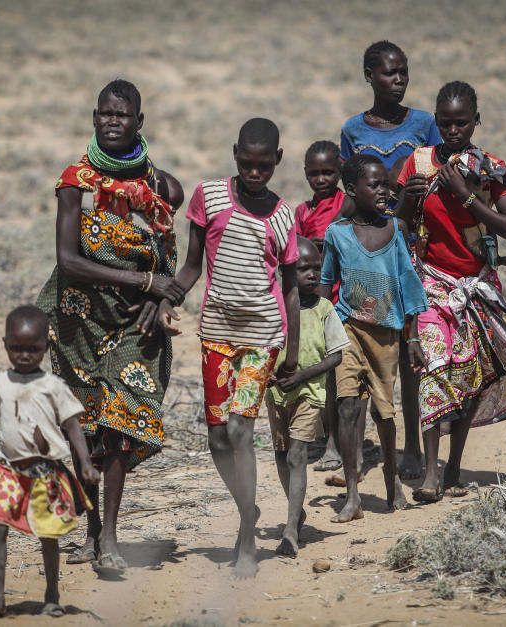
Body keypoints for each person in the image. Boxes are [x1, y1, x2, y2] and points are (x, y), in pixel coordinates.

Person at [35, 79, 184, 573]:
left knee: (122, 420)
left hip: (135, 325)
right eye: (105, 113)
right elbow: (68, 260)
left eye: (123, 115)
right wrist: (145, 281)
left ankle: (110, 538)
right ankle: (95, 530)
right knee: (93, 427)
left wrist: (157, 298)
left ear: (139, 122)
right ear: (94, 117)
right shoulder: (75, 180)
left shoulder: (162, 188)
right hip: (79, 319)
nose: (113, 121)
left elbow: (169, 256)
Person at [397, 81, 506, 502]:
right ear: (435, 121)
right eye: (445, 123)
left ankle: (455, 464)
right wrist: (406, 200)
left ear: (477, 120)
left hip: (475, 288)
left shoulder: (491, 169)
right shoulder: (417, 163)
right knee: (434, 367)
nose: (454, 131)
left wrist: (466, 195)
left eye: (462, 123)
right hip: (430, 282)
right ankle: (433, 473)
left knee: (472, 378)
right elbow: (399, 224)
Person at [167, 117, 300, 578]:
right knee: (217, 438)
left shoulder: (283, 216)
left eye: (264, 165)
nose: (254, 172)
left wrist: (294, 349)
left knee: (242, 431)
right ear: (235, 155)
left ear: (277, 161)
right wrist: (170, 296)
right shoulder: (210, 196)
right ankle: (249, 506)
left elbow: (290, 289)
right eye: (246, 163)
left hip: (262, 337)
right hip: (217, 334)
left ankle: (246, 537)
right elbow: (191, 266)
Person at [339, 40, 442, 481]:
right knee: (366, 344)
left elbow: (442, 175)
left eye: (403, 72)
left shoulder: (424, 123)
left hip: (416, 248)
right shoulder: (352, 129)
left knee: (410, 353)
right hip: (369, 251)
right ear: (368, 75)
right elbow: (347, 191)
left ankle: (413, 449)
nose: (398, 80)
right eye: (388, 73)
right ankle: (354, 454)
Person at [0, 305, 101, 621]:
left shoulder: (53, 387)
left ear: (47, 347)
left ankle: (52, 596)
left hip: (45, 474)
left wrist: (86, 464)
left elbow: (73, 427)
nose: (24, 355)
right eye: (17, 348)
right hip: (9, 470)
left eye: (33, 349)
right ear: (5, 345)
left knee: (48, 534)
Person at [319, 154, 427, 523]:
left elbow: (409, 284)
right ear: (352, 190)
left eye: (387, 183)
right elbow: (325, 282)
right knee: (348, 408)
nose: (385, 190)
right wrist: (314, 324)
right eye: (375, 185)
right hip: (347, 329)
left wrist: (412, 338)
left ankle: (391, 479)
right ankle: (352, 494)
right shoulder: (337, 233)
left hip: (387, 336)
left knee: (384, 413)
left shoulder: (396, 229)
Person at [265, 236, 349, 556]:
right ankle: (296, 510)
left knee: (298, 455)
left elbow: (335, 357)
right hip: (276, 394)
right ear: (284, 271)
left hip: (310, 392)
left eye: (317, 268)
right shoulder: (274, 306)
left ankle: (289, 530)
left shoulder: (325, 308)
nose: (313, 274)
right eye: (303, 268)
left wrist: (300, 375)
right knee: (281, 454)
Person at [293, 140, 352, 474]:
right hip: (317, 301)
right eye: (314, 173)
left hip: (345, 296)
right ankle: (326, 439)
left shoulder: (348, 203)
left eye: (328, 172)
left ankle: (337, 444)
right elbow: (298, 251)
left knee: (341, 376)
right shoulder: (303, 211)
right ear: (305, 174)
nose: (321, 179)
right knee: (323, 375)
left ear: (340, 170)